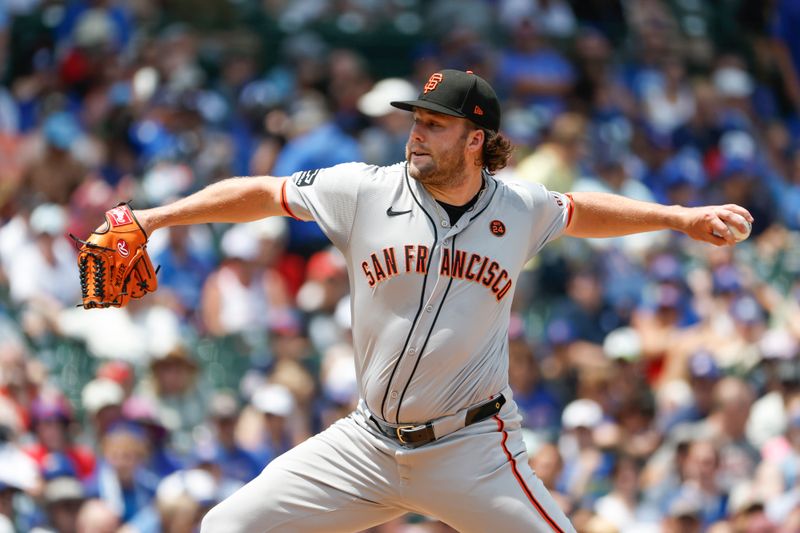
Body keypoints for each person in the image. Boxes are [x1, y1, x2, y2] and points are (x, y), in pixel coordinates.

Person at [115, 69, 752, 532]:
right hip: (366, 442)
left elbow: (582, 210)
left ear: (476, 139)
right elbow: (264, 192)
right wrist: (155, 217)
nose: (416, 135)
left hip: (471, 448)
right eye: (415, 121)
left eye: (433, 125)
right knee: (226, 529)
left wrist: (678, 217)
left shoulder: (519, 207)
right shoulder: (362, 190)